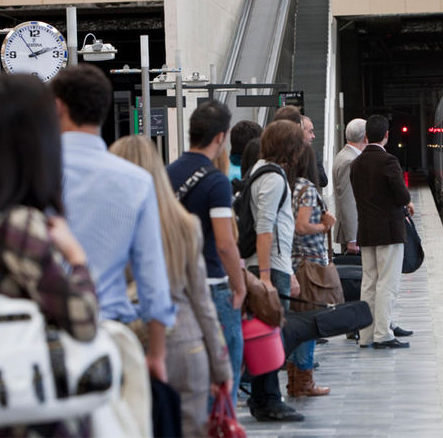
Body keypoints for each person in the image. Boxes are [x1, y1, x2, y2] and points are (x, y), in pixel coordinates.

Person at [0, 74, 99, 436]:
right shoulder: (19, 224)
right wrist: (78, 259)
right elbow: (84, 321)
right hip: (37, 415)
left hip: (3, 411)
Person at [51, 64, 176, 381]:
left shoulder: (31, 175)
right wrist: (156, 354)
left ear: (58, 107)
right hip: (111, 338)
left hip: (46, 339)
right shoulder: (136, 181)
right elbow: (152, 277)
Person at [110, 135, 233, 437]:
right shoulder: (185, 225)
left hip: (122, 341)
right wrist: (222, 368)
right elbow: (202, 302)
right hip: (183, 343)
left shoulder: (107, 222)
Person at [167, 100, 247, 408]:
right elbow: (225, 243)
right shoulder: (216, 182)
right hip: (212, 284)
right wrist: (239, 286)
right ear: (220, 137)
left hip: (175, 283)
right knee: (225, 364)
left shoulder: (166, 173)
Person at [245, 120, 304, 422]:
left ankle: (263, 398)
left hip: (270, 265)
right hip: (268, 267)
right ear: (289, 147)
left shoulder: (259, 170)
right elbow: (265, 228)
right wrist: (266, 277)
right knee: (270, 334)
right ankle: (268, 401)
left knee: (265, 334)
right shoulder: (273, 177)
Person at [351, 114, 414, 349]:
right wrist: (406, 201)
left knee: (368, 283)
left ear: (366, 136)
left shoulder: (356, 163)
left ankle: (365, 335)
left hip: (366, 232)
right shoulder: (388, 161)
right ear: (386, 136)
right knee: (387, 283)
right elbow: (402, 196)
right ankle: (383, 334)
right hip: (389, 232)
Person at [286, 144, 335, 397]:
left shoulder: (290, 186)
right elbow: (302, 226)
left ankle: (294, 380)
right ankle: (304, 381)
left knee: (296, 322)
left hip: (293, 261)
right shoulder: (306, 189)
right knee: (309, 324)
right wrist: (324, 227)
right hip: (309, 263)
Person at [333, 118, 367, 254]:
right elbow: (348, 199)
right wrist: (352, 238)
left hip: (353, 230)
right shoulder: (349, 161)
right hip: (354, 234)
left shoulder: (345, 155)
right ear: (365, 137)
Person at [301, 115, 328, 187]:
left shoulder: (313, 154)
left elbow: (323, 181)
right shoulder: (285, 156)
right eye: (310, 132)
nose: (313, 136)